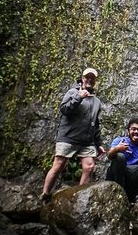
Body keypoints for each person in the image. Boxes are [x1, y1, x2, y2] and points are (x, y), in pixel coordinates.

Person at [40, 68, 105, 203]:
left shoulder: (97, 101)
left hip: (86, 141)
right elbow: (65, 109)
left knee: (89, 167)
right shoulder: (72, 92)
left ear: (95, 81)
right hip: (68, 137)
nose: (90, 80)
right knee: (58, 166)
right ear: (82, 78)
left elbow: (95, 123)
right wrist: (79, 97)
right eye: (87, 77)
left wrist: (98, 144)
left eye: (92, 78)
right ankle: (45, 194)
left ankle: (80, 197)